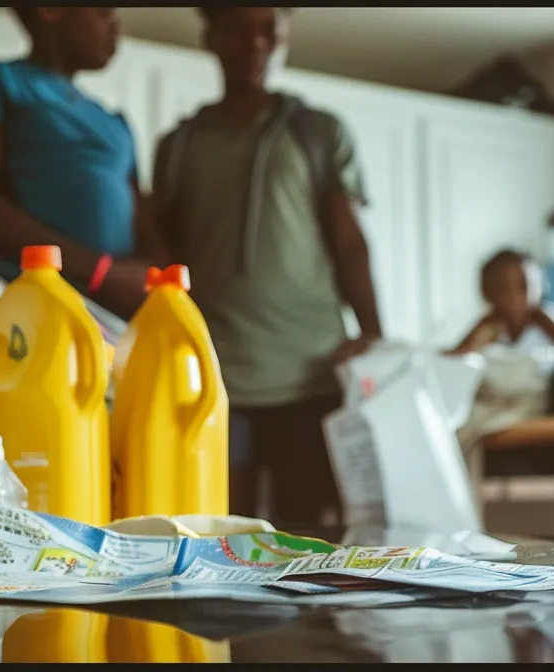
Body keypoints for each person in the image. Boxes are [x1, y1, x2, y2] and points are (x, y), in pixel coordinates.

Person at [150, 7, 384, 526]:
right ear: (211, 36)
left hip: (311, 376)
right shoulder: (178, 146)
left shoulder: (318, 132)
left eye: (268, 31)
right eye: (237, 27)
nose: (254, 43)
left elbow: (350, 242)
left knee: (307, 541)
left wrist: (375, 336)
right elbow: (161, 253)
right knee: (218, 532)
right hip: (212, 377)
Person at [0, 7, 155, 317]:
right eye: (103, 13)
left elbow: (142, 220)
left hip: (114, 312)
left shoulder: (115, 122)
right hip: (35, 302)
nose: (116, 26)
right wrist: (100, 272)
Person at [450, 249, 554, 370]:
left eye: (524, 287)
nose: (515, 297)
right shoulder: (488, 325)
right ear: (489, 293)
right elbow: (455, 362)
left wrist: (548, 326)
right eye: (504, 289)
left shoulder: (547, 318)